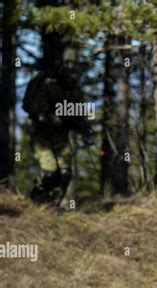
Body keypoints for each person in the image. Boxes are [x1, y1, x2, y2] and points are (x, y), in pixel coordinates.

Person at [22, 61, 94, 210]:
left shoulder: (74, 92)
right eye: (71, 75)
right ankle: (38, 195)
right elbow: (32, 107)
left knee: (65, 173)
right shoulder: (47, 85)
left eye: (76, 75)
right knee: (50, 171)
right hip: (41, 135)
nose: (74, 78)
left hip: (60, 136)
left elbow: (78, 115)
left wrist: (84, 129)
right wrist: (41, 114)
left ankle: (52, 203)